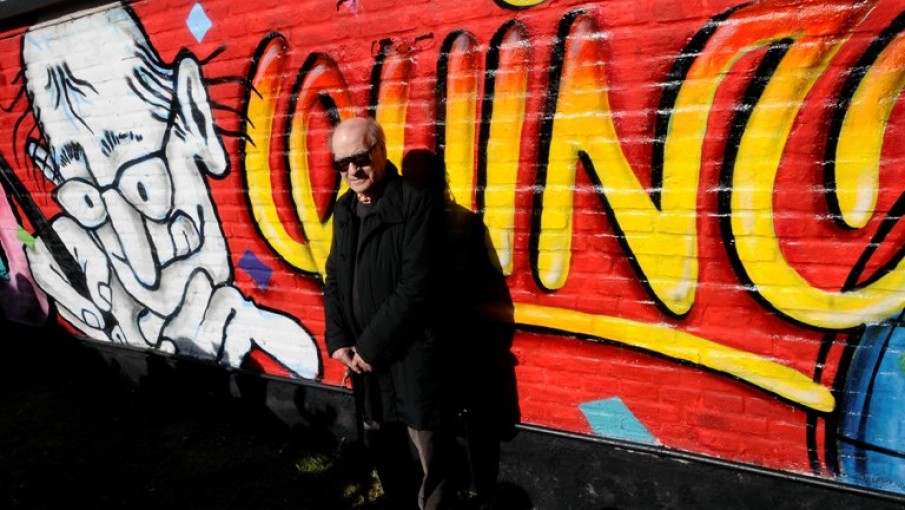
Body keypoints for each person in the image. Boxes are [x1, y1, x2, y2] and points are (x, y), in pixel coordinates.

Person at [16, 4, 318, 379]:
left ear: (194, 116)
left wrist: (257, 326)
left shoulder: (251, 278)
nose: (142, 270)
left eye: (144, 186)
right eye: (87, 200)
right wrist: (29, 246)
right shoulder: (111, 296)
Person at [323, 118, 452, 510]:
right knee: (383, 442)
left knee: (428, 448)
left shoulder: (416, 203)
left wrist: (369, 346)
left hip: (410, 353)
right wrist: (339, 340)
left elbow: (416, 288)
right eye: (341, 163)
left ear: (381, 151)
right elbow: (334, 276)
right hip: (364, 360)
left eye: (360, 158)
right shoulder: (345, 209)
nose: (351, 170)